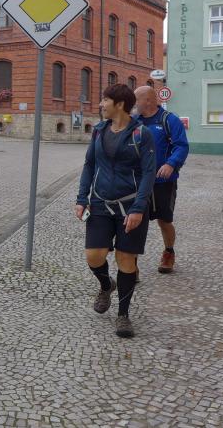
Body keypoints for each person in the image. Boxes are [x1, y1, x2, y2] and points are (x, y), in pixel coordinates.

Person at [76, 84, 156, 338]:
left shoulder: (142, 134)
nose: (101, 104)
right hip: (100, 203)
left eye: (105, 100)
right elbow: (89, 165)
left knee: (126, 260)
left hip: (130, 206)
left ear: (119, 104)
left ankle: (123, 315)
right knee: (94, 256)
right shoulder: (99, 131)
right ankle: (105, 284)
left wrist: (139, 208)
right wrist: (82, 198)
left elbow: (149, 173)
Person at [134, 86, 190, 274]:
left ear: (148, 101)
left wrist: (171, 164)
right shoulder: (134, 121)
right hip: (139, 182)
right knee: (134, 220)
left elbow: (182, 146)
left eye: (136, 100)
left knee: (164, 221)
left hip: (163, 182)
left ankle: (169, 252)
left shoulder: (169, 120)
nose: (134, 104)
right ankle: (130, 263)